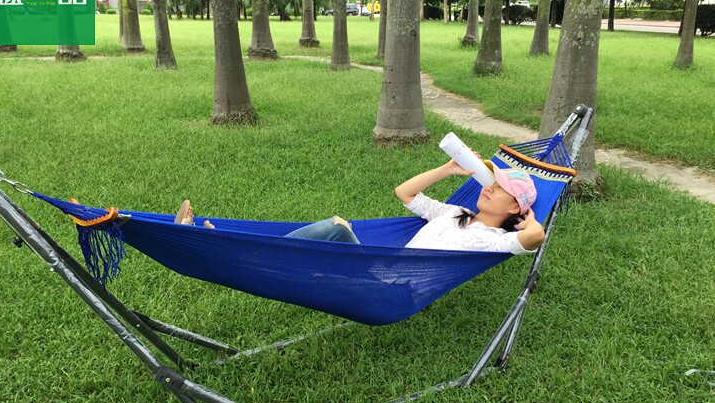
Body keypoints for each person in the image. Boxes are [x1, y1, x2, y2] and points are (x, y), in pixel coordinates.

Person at [175, 159, 546, 254]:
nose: (488, 188)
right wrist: (448, 169)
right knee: (332, 231)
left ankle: (219, 242)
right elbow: (405, 193)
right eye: (491, 182)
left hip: (392, 285)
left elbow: (535, 238)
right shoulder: (455, 213)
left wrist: (529, 221)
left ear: (516, 208)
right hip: (383, 268)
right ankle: (222, 241)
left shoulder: (493, 241)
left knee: (337, 228)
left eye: (500, 189)